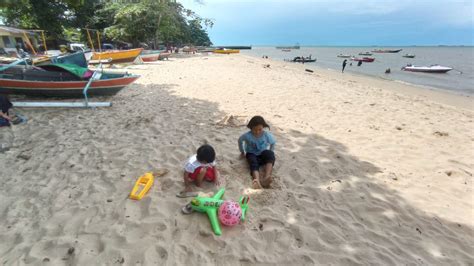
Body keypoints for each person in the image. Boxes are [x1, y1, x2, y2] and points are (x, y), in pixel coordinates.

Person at [238, 116, 276, 189]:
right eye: (254, 130)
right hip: (251, 154)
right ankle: (257, 180)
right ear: (251, 128)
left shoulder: (266, 134)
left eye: (260, 129)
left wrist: (271, 151)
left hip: (262, 154)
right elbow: (240, 140)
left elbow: (273, 142)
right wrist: (242, 151)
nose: (257, 131)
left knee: (270, 155)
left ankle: (266, 177)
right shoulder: (247, 136)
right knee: (253, 163)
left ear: (263, 127)